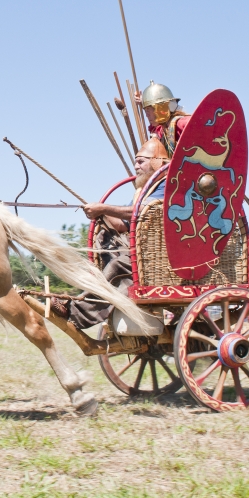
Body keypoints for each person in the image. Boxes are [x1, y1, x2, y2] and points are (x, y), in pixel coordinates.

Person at [68, 138, 170, 329]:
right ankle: (91, 295)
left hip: (161, 256)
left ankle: (77, 313)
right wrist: (101, 214)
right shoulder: (144, 191)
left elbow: (141, 212)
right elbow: (124, 224)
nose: (136, 166)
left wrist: (104, 207)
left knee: (119, 264)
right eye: (135, 161)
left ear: (157, 163)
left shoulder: (166, 185)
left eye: (141, 161)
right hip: (142, 249)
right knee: (105, 240)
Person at [135, 82, 191, 156]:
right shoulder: (163, 130)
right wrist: (144, 101)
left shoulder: (182, 123)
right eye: (145, 110)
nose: (146, 115)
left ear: (161, 108)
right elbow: (155, 130)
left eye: (149, 109)